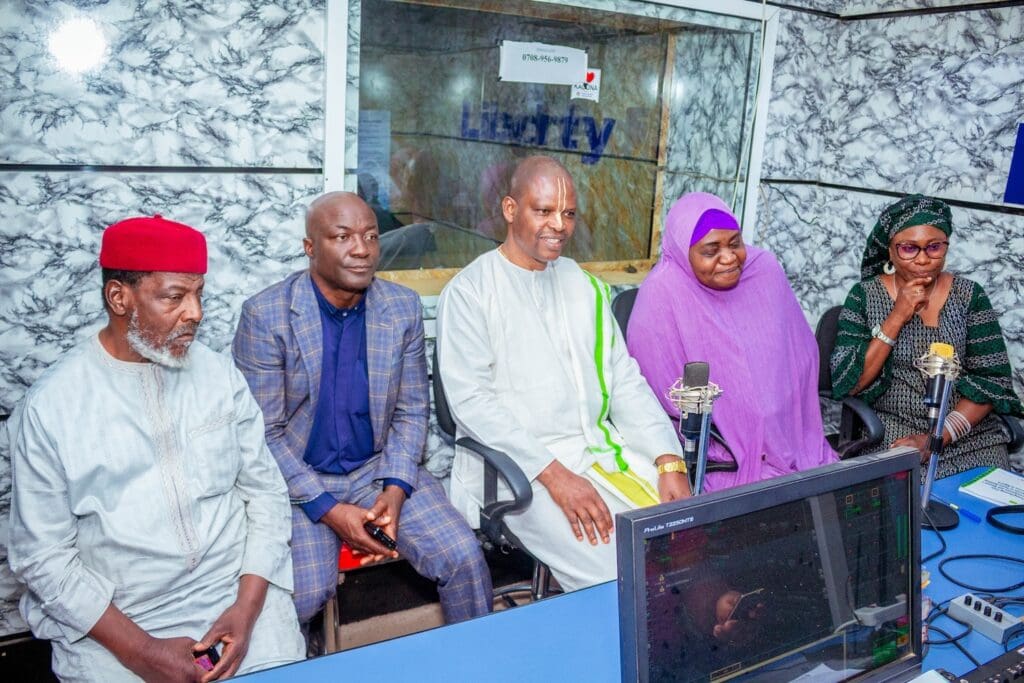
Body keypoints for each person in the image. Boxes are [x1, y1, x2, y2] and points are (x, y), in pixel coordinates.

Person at [7, 216, 304, 682]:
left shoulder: (218, 375)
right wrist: (143, 652)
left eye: (199, 293)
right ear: (119, 297)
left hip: (235, 599)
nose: (196, 313)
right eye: (174, 296)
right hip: (116, 626)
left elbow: (265, 495)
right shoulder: (53, 407)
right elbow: (42, 559)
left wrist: (246, 612)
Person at [232, 192, 491, 636]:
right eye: (343, 236)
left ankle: (480, 659)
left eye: (371, 236)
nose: (362, 248)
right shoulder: (267, 316)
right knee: (301, 594)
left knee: (464, 556)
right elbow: (263, 435)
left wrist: (394, 491)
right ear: (310, 247)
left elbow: (412, 412)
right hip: (301, 480)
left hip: (376, 469)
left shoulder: (401, 308)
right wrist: (331, 510)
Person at [436, 156, 691, 592]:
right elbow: (472, 404)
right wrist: (554, 476)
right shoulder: (470, 292)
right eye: (544, 211)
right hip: (518, 468)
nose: (559, 224)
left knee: (689, 531)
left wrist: (668, 459)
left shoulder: (583, 285)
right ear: (511, 209)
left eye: (568, 213)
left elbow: (624, 380)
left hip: (595, 451)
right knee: (618, 570)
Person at [627, 192, 837, 492]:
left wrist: (771, 416)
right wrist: (744, 421)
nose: (728, 258)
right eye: (711, 250)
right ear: (682, 251)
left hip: (789, 439)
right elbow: (655, 395)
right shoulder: (663, 294)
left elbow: (799, 355)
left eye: (735, 243)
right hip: (716, 453)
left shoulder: (763, 270)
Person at [831, 194, 1022, 477]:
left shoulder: (970, 296)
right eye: (909, 248)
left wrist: (938, 438)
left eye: (934, 247)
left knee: (985, 512)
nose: (923, 259)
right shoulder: (865, 297)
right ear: (891, 252)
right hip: (894, 434)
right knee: (908, 514)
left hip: (967, 435)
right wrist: (897, 316)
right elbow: (850, 382)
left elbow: (990, 381)